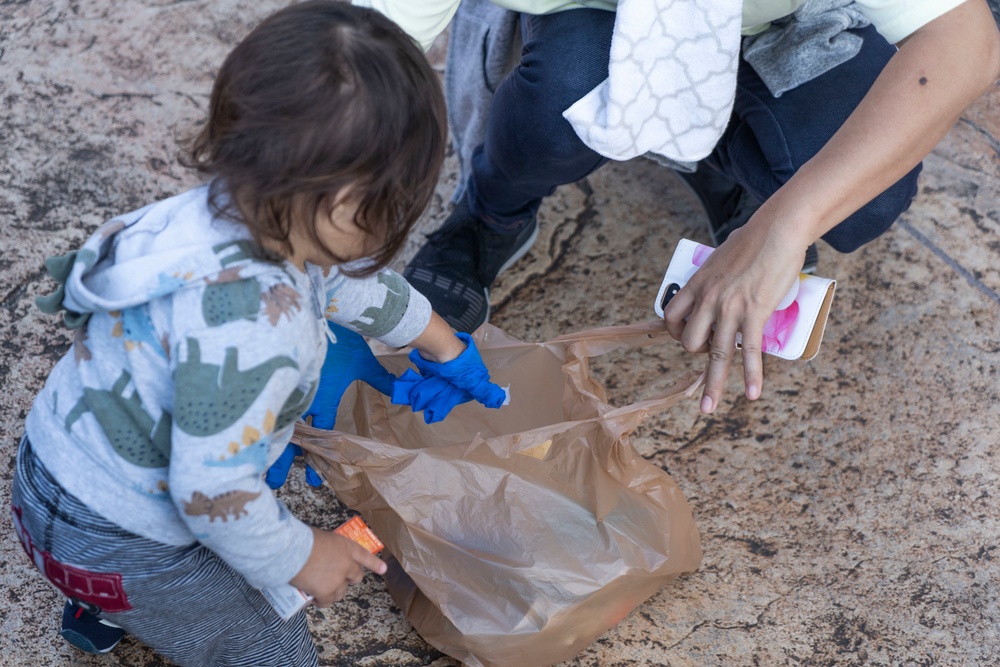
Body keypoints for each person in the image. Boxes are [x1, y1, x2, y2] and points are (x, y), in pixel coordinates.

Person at [9, 3, 506, 665]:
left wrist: (442, 341)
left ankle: (103, 601)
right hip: (127, 538)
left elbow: (349, 284)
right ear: (347, 204)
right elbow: (214, 494)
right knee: (266, 646)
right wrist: (307, 553)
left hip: (55, 471)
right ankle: (121, 593)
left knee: (150, 573)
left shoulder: (221, 213)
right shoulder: (257, 331)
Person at [356, 0, 1000, 412]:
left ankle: (721, 163)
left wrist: (783, 225)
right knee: (561, 99)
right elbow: (356, 52)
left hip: (778, 17)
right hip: (600, 13)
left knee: (865, 196)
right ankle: (491, 213)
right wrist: (285, 248)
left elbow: (965, 43)